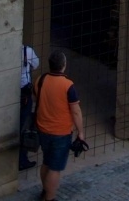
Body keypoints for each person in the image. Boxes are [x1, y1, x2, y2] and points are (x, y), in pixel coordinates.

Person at [34, 50, 86, 201]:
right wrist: (81, 133)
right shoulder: (68, 86)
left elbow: (37, 97)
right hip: (61, 133)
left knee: (46, 161)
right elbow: (76, 112)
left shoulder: (41, 80)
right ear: (64, 65)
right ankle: (49, 198)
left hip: (43, 129)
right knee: (55, 168)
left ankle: (45, 190)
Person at [19, 43, 40, 170]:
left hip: (9, 92)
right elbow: (36, 65)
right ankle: (22, 159)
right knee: (24, 125)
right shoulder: (27, 51)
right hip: (24, 93)